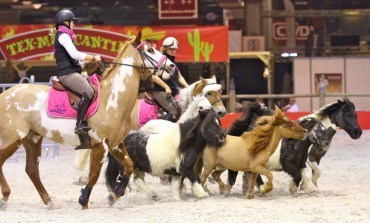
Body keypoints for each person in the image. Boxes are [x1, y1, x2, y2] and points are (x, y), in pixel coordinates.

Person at [50, 9, 102, 150]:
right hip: (67, 74)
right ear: (66, 22)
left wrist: (89, 63)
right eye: (73, 22)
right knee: (89, 92)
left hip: (72, 71)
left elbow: (75, 61)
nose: (74, 24)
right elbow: (74, 54)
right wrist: (92, 57)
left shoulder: (67, 36)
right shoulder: (63, 36)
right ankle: (79, 124)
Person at [150, 36, 189, 122]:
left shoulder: (173, 62)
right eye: (171, 48)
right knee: (175, 112)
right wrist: (166, 86)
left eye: (175, 49)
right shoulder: (160, 60)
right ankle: (165, 131)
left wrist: (188, 87)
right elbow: (153, 76)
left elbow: (179, 76)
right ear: (165, 48)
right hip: (161, 92)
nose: (173, 51)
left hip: (173, 93)